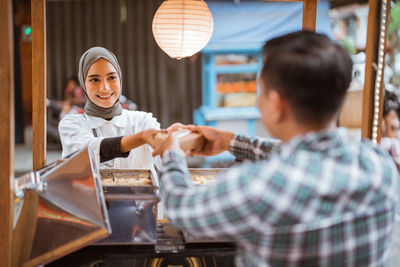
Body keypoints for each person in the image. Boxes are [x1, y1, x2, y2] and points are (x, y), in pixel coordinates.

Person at [153, 31, 399, 266]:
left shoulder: (258, 186)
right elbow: (310, 157)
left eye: (261, 91)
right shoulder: (380, 164)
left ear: (277, 104)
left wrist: (172, 155)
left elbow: (180, 208)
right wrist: (230, 142)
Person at [59, 47, 165, 171]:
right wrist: (141, 138)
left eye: (111, 78)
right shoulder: (71, 124)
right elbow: (87, 151)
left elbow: (166, 156)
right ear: (83, 84)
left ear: (119, 78)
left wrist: (182, 137)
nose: (105, 88)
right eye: (94, 80)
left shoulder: (143, 121)